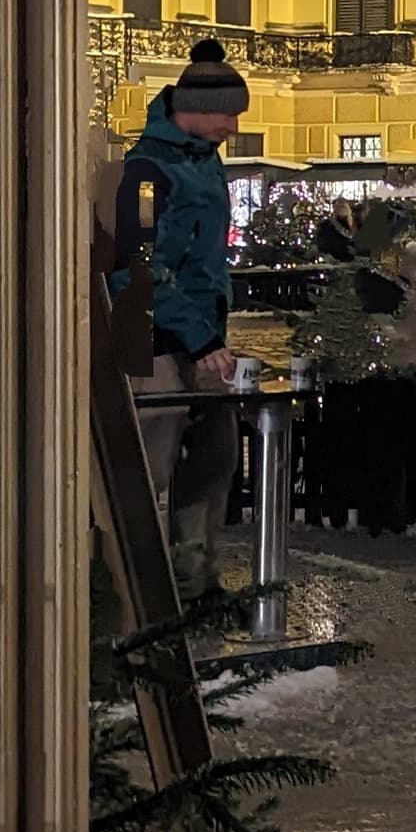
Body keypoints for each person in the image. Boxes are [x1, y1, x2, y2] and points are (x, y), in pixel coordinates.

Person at [126, 40, 250, 598]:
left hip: (204, 341)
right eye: (228, 115)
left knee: (215, 458)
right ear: (195, 108)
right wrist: (199, 336)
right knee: (150, 468)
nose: (233, 126)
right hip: (154, 342)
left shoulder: (205, 159)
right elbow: (136, 269)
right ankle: (143, 594)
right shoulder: (145, 168)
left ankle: (196, 582)